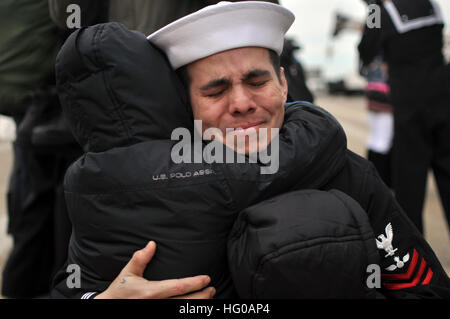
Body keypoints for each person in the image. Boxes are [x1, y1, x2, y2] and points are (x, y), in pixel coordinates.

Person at [52, 2, 450, 299]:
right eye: (216, 89)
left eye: (256, 82)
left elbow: (422, 287)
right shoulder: (138, 195)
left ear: (283, 85)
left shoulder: (347, 175)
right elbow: (71, 285)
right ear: (185, 105)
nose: (242, 103)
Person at [0, 0, 82, 298]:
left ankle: (21, 285)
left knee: (31, 197)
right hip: (42, 99)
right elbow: (68, 20)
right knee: (45, 197)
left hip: (24, 98)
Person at [358, 0, 450, 234]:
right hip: (444, 97)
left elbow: (366, 50)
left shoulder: (378, 10)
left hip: (410, 107)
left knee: (409, 189)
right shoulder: (430, 4)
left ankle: (417, 258)